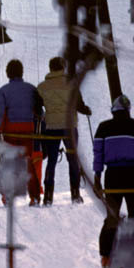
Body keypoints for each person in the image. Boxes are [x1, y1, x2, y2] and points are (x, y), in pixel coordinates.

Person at [93, 94, 134, 268]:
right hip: (133, 175)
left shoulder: (103, 127)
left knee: (112, 217)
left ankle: (106, 256)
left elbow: (98, 153)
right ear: (128, 110)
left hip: (113, 176)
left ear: (113, 110)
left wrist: (97, 176)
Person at [36, 56, 92, 205]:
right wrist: (86, 110)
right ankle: (75, 194)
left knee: (52, 161)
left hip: (51, 127)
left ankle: (48, 196)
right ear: (63, 68)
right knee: (73, 159)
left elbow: (37, 107)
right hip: (69, 127)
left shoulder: (42, 87)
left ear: (50, 68)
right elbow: (79, 105)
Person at [0, 59, 44, 204]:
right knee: (28, 163)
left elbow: (0, 114)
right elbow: (38, 112)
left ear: (8, 73)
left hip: (10, 133)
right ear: (22, 72)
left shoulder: (3, 91)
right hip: (27, 131)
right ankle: (34, 196)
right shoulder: (31, 89)